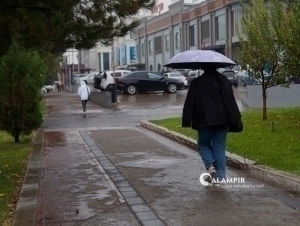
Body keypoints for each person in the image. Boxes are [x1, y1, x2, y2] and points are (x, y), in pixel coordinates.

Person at [182, 63, 241, 183]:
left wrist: (188, 119)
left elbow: (189, 103)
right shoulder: (224, 80)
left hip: (204, 121)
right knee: (219, 148)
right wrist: (234, 118)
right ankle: (221, 178)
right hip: (224, 121)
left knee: (203, 144)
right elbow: (230, 101)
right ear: (217, 67)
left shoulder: (196, 83)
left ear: (203, 68)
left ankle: (210, 166)